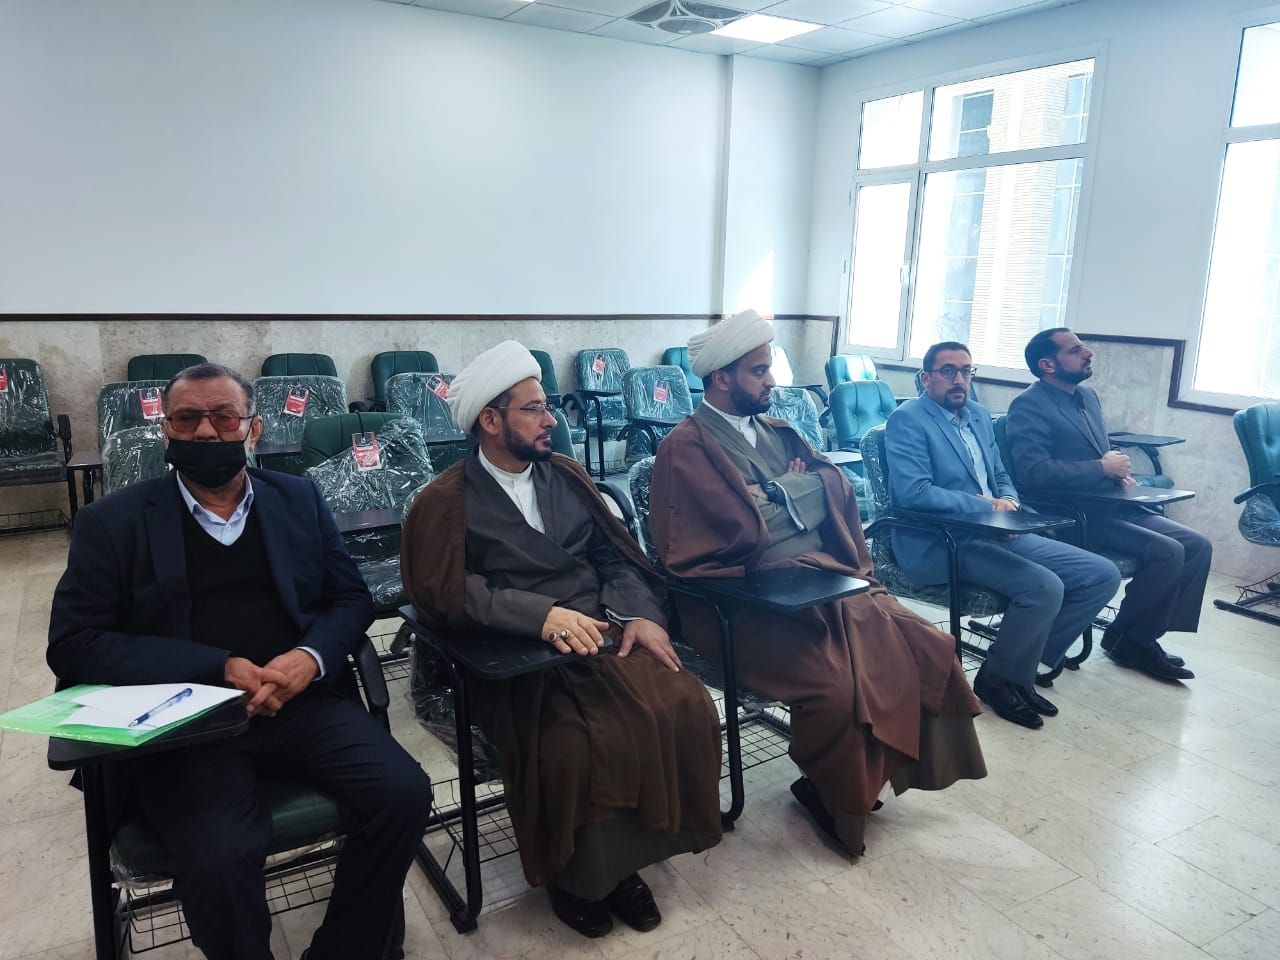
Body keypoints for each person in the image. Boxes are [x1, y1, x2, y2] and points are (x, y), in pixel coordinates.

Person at [47, 363, 431, 960]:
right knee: (219, 856)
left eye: (224, 417)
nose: (206, 431)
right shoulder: (112, 522)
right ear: (167, 430)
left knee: (404, 793)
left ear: (253, 429)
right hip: (188, 723)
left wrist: (309, 657)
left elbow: (350, 598)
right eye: (187, 419)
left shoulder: (297, 497)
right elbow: (74, 642)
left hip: (300, 703)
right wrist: (218, 666)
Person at [400, 341, 722, 940]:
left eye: (547, 407)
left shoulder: (567, 476)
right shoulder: (443, 502)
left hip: (601, 633)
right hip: (511, 657)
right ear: (490, 420)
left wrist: (639, 614)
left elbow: (614, 556)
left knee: (684, 700)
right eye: (533, 409)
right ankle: (579, 879)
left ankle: (627, 863)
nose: (551, 420)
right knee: (573, 742)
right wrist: (538, 615)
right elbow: (444, 592)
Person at [648, 311, 987, 858]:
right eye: (759, 371)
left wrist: (776, 495)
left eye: (769, 369)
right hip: (742, 603)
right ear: (721, 378)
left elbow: (837, 486)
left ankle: (866, 774)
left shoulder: (780, 431)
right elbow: (733, 530)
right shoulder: (685, 448)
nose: (772, 381)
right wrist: (799, 496)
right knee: (837, 685)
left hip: (825, 581)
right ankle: (833, 794)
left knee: (925, 644)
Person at [885, 342, 1122, 729]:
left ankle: (1022, 667)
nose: (959, 379)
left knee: (1100, 574)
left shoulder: (979, 415)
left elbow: (1000, 475)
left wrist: (1008, 501)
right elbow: (915, 492)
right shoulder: (907, 419)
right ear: (926, 378)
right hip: (941, 539)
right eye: (948, 371)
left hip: (996, 529)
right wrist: (983, 507)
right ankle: (1001, 680)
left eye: (966, 371)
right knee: (1044, 587)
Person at [1005, 328, 1207, 681]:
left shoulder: (1087, 396)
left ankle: (1134, 636)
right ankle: (1132, 640)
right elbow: (1032, 472)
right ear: (1047, 364)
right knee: (1168, 551)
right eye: (1075, 350)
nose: (1088, 353)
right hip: (1075, 514)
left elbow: (1097, 446)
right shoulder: (1028, 405)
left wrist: (1118, 468)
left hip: (1113, 502)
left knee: (1197, 545)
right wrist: (1101, 468)